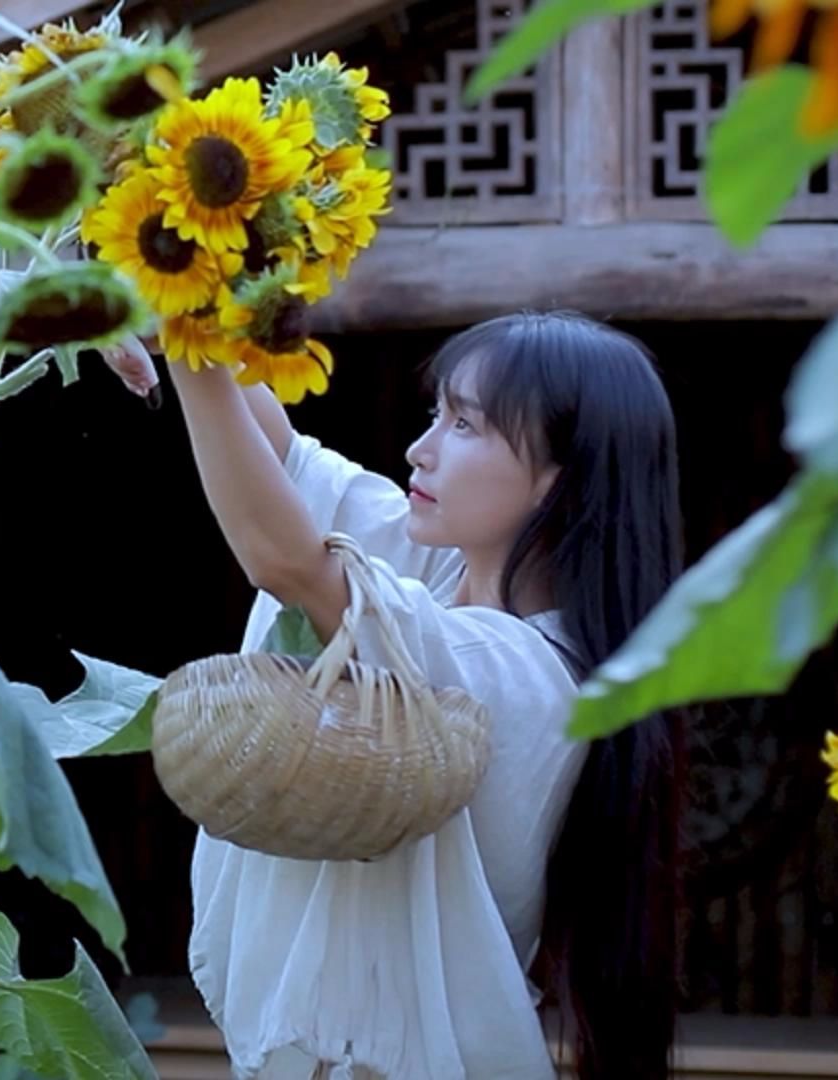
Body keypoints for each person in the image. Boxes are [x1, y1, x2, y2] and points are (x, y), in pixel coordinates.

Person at [103, 312, 685, 1080]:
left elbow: (286, 559)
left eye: (465, 424)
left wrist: (184, 340)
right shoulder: (442, 580)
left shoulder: (530, 673)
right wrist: (187, 303)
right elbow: (282, 456)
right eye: (434, 414)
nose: (423, 449)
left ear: (560, 478)